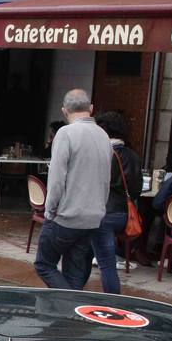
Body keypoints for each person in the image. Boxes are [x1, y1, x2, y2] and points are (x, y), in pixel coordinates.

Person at [33, 89, 111, 289]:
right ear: (91, 109)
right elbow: (106, 179)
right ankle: (72, 311)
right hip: (93, 217)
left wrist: (49, 210)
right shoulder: (103, 135)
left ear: (64, 111)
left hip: (66, 216)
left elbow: (57, 178)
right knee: (74, 274)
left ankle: (68, 304)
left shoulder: (66, 133)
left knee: (44, 264)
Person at [84, 111, 142, 294]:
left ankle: (112, 301)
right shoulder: (133, 155)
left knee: (106, 263)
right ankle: (74, 291)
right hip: (123, 214)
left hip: (103, 214)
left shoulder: (104, 154)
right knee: (86, 254)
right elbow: (136, 189)